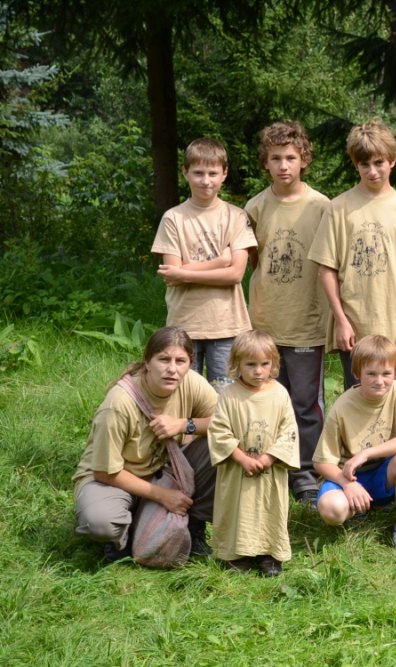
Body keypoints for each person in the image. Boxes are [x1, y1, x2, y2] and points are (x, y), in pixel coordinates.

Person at [308, 120, 396, 389]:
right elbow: (327, 269)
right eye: (364, 164)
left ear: (392, 160)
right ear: (355, 164)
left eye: (379, 162)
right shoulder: (338, 208)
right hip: (354, 326)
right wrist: (341, 321)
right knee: (357, 398)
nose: (373, 171)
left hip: (394, 325)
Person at [73, 327, 219, 563]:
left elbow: (226, 423)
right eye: (164, 359)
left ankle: (194, 525)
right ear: (148, 362)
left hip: (165, 472)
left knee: (224, 447)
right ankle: (121, 537)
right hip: (113, 480)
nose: (172, 369)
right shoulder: (118, 404)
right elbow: (104, 472)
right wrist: (162, 495)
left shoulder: (191, 382)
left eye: (180, 361)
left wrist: (184, 425)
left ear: (190, 364)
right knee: (99, 522)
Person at [246, 120, 332, 509]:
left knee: (305, 404)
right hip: (265, 323)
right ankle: (269, 468)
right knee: (265, 400)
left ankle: (306, 476)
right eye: (276, 158)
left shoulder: (322, 206)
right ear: (265, 162)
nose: (284, 166)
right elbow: (252, 261)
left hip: (307, 324)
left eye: (291, 158)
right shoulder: (255, 208)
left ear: (304, 160)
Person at [151, 138, 256, 389]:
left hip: (227, 326)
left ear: (224, 174)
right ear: (185, 172)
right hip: (183, 326)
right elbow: (171, 275)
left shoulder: (236, 216)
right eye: (198, 173)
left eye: (212, 173)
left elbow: (235, 274)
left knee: (225, 396)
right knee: (184, 395)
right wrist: (220, 262)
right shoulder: (173, 218)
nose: (206, 181)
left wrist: (184, 272)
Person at [313, 335, 396, 558]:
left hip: (385, 473)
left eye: (386, 374)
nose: (379, 381)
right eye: (371, 374)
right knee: (332, 510)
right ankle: (356, 509)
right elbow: (321, 461)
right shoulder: (342, 406)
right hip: (351, 476)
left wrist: (366, 453)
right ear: (357, 373)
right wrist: (347, 484)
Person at [207, 331, 299, 577]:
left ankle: (270, 555)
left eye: (264, 364)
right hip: (238, 469)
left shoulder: (280, 393)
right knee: (239, 510)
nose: (258, 371)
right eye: (250, 364)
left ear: (273, 363)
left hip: (271, 470)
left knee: (270, 509)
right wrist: (241, 458)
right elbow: (218, 431)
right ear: (237, 364)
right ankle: (238, 555)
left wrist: (269, 457)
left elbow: (289, 431)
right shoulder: (229, 395)